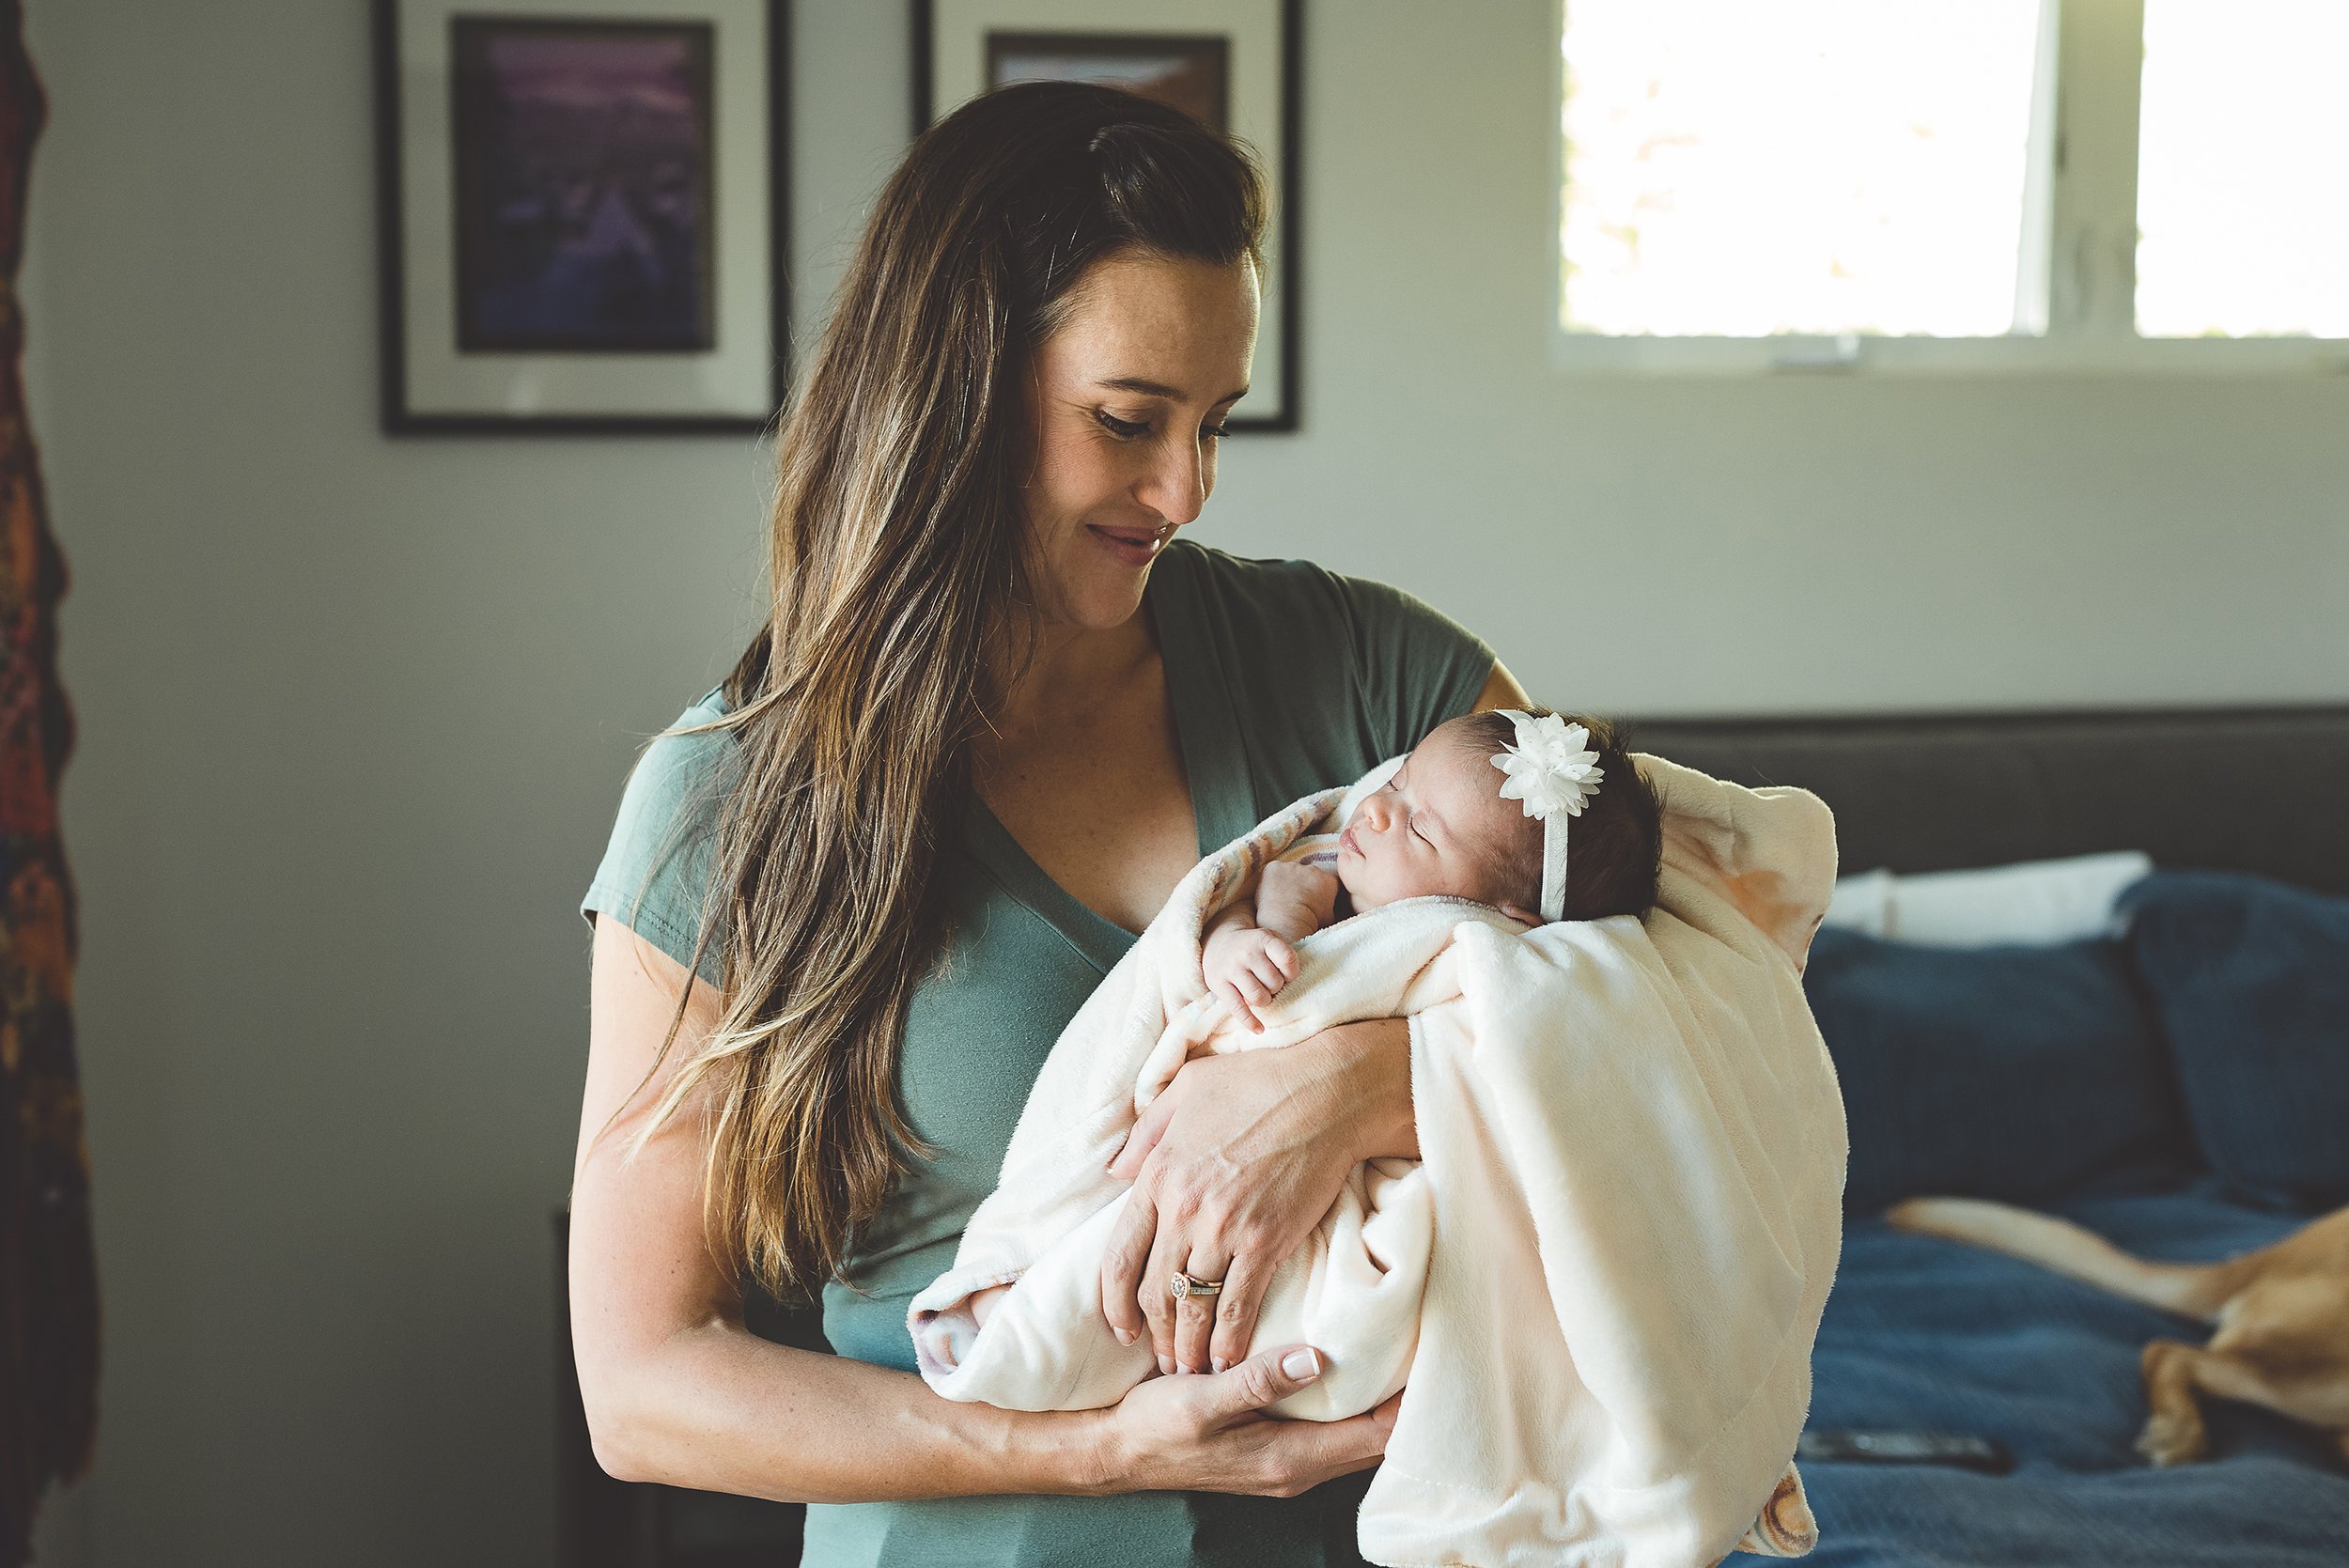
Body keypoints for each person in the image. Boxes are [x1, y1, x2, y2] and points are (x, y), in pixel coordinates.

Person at [571, 81, 1530, 1567]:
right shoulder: (730, 804)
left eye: (1214, 424)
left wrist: (1350, 1086)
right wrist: (1090, 1452)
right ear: (957, 386)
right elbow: (643, 1388)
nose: (1184, 490)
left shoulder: (1377, 683)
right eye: (1127, 421)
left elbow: (1674, 1016)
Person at [1202, 708, 1663, 1030]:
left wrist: (1286, 925)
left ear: (1504, 917)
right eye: (1396, 781)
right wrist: (1230, 939)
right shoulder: (1318, 863)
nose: (1376, 808)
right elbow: (1211, 909)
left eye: (1420, 830)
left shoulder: (1452, 963)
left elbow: (1292, 1025)